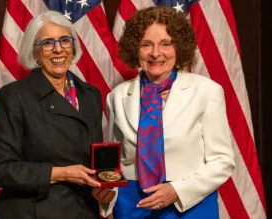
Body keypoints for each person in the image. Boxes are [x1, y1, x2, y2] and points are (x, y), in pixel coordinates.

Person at [93, 6, 235, 219]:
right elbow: (115, 164)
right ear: (135, 49)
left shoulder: (207, 91)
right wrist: (107, 196)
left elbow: (222, 161)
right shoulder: (117, 96)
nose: (155, 53)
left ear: (179, 48)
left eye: (165, 44)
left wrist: (177, 191)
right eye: (146, 45)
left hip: (189, 205)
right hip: (133, 206)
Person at [0, 10, 103, 219]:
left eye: (64, 40)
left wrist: (103, 189)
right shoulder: (14, 96)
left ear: (73, 45)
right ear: (35, 52)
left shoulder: (91, 94)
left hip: (82, 210)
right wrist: (62, 173)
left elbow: (95, 161)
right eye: (47, 43)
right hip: (32, 211)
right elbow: (0, 169)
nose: (58, 49)